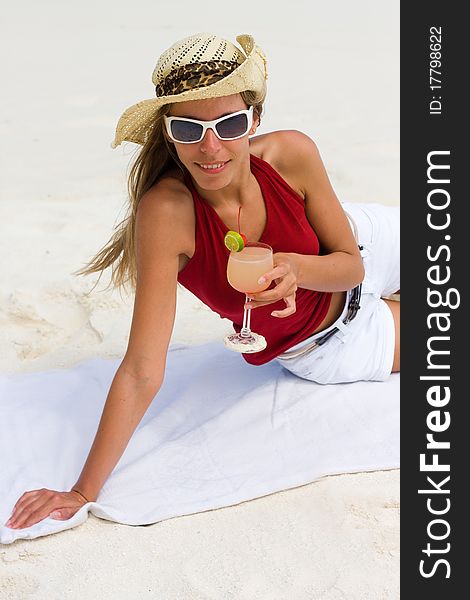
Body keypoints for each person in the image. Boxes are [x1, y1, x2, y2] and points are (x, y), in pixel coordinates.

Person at [5, 32, 400, 530]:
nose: (210, 147)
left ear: (254, 119)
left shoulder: (291, 153)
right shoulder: (168, 214)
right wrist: (83, 490)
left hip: (369, 242)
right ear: (168, 132)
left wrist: (297, 269)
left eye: (229, 124)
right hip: (330, 340)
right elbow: (142, 369)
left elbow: (351, 264)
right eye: (188, 129)